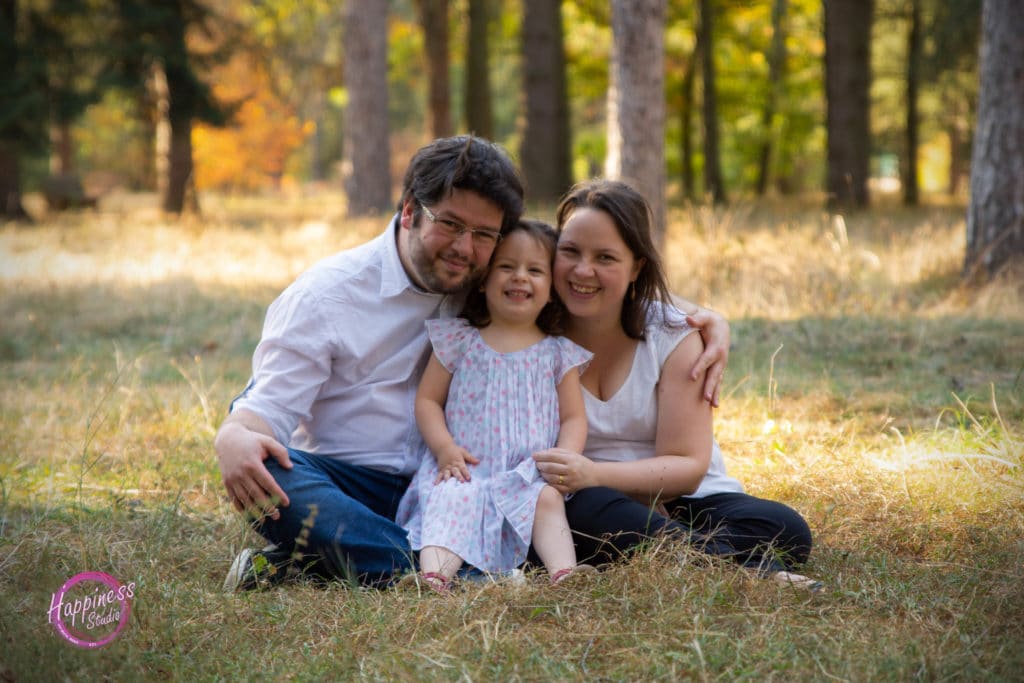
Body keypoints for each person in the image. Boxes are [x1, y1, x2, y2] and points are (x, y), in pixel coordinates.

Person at [215, 135, 730, 591]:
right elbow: (267, 410)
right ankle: (465, 576)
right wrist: (235, 431)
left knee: (537, 505)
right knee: (272, 474)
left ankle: (339, 563)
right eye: (452, 225)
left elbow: (589, 284)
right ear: (411, 209)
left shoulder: (484, 286)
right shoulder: (326, 297)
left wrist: (702, 316)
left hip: (482, 482)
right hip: (359, 487)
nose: (465, 248)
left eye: (485, 235)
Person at [532, 179, 819, 590]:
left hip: (679, 500)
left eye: (606, 258)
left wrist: (596, 472)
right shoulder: (531, 331)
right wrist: (591, 482)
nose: (583, 270)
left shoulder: (672, 335)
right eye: (570, 251)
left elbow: (688, 467)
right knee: (587, 511)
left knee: (785, 529)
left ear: (636, 268)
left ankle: (670, 550)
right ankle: (746, 573)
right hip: (587, 501)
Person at [397, 220, 595, 591]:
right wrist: (444, 448)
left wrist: (564, 458)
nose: (520, 277)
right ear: (484, 279)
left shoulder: (558, 353)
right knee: (450, 499)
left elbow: (573, 418)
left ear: (552, 289)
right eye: (507, 267)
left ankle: (564, 576)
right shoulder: (459, 339)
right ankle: (434, 579)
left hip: (528, 472)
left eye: (535, 270)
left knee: (547, 501)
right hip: (466, 467)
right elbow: (428, 400)